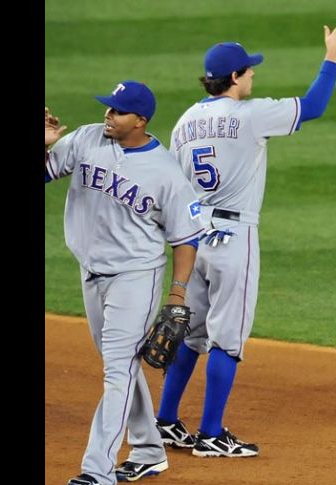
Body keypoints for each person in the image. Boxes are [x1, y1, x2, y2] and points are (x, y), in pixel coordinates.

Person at [154, 17, 336, 458]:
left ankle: (165, 421)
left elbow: (172, 186)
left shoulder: (185, 121)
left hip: (193, 236)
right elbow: (314, 106)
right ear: (234, 77)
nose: (253, 75)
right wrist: (332, 57)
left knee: (190, 333)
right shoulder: (249, 114)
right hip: (233, 235)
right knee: (227, 339)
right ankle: (210, 434)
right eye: (248, 70)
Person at [45, 81, 206, 485]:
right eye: (108, 109)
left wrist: (177, 296)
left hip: (135, 277)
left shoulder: (166, 172)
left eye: (117, 112)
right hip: (91, 272)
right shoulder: (86, 139)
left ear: (141, 121)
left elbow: (186, 237)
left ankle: (97, 471)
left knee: (117, 369)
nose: (108, 116)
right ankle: (150, 449)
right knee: (122, 365)